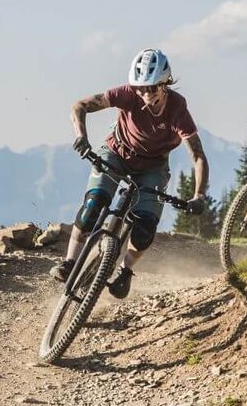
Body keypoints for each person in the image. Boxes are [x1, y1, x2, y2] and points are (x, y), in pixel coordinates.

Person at [51, 48, 210, 299]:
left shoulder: (178, 109)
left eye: (151, 87)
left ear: (164, 83)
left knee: (145, 228)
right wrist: (82, 137)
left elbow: (198, 156)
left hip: (153, 167)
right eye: (140, 87)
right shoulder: (127, 94)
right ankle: (70, 261)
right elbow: (79, 106)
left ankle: (125, 271)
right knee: (93, 206)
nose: (144, 93)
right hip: (116, 152)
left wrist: (199, 195)